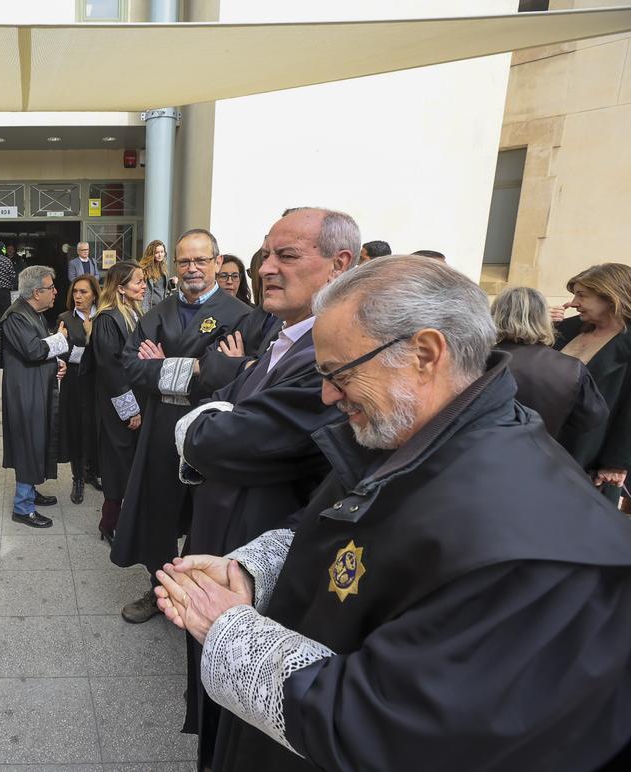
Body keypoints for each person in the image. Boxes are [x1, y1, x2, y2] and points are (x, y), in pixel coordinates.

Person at [155, 255, 631, 772]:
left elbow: (388, 728)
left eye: (338, 372)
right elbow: (334, 524)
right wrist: (252, 572)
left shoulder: (532, 555)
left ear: (425, 354)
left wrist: (228, 631)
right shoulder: (415, 430)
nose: (326, 394)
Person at [175, 207, 359, 771]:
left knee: (241, 717)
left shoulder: (327, 354)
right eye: (265, 255)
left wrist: (197, 422)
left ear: (340, 264)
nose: (267, 268)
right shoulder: (282, 335)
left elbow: (233, 438)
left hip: (263, 541)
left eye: (288, 255)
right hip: (225, 534)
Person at [112, 228, 253, 623]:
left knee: (205, 514)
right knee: (157, 508)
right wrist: (199, 367)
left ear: (217, 262)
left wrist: (164, 364)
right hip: (160, 429)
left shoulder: (240, 315)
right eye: (185, 261)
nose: (192, 268)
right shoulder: (159, 312)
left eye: (201, 260)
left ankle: (198, 595)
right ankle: (159, 589)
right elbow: (132, 366)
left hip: (212, 428)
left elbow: (234, 374)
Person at [0, 265, 72, 527]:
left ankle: (30, 491)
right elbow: (32, 350)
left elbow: (41, 351)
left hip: (34, 387)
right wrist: (61, 339)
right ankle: (22, 506)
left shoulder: (35, 313)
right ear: (35, 292)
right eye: (51, 288)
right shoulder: (16, 316)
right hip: (24, 393)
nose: (56, 292)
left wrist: (57, 364)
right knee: (28, 442)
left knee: (37, 440)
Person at [492, 286, 607, 450]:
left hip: (477, 456)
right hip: (541, 456)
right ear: (543, 319)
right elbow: (591, 419)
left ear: (495, 315)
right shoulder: (572, 368)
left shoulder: (476, 360)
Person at [554, 262, 631, 504]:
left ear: (611, 298)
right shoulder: (566, 328)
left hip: (590, 456)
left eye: (582, 295)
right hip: (544, 442)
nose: (574, 303)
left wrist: (615, 463)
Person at [89, 260, 147, 542]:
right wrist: (130, 410)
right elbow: (110, 368)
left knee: (132, 462)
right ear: (121, 288)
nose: (144, 286)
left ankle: (127, 518)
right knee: (118, 462)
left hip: (137, 401)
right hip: (119, 407)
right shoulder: (107, 319)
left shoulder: (134, 313)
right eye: (138, 281)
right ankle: (109, 523)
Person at [57, 273, 101, 504]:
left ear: (94, 293)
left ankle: (92, 472)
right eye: (75, 291)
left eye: (83, 292)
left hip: (98, 382)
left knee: (95, 427)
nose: (78, 296)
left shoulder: (104, 316)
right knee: (76, 428)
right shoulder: (65, 318)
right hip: (74, 382)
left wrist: (91, 334)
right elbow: (61, 351)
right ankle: (78, 478)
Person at [139, 239, 170, 313]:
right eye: (157, 252)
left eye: (162, 252)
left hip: (162, 307)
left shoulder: (163, 268)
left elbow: (161, 288)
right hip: (149, 308)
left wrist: (171, 283)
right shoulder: (144, 269)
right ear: (151, 254)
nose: (160, 255)